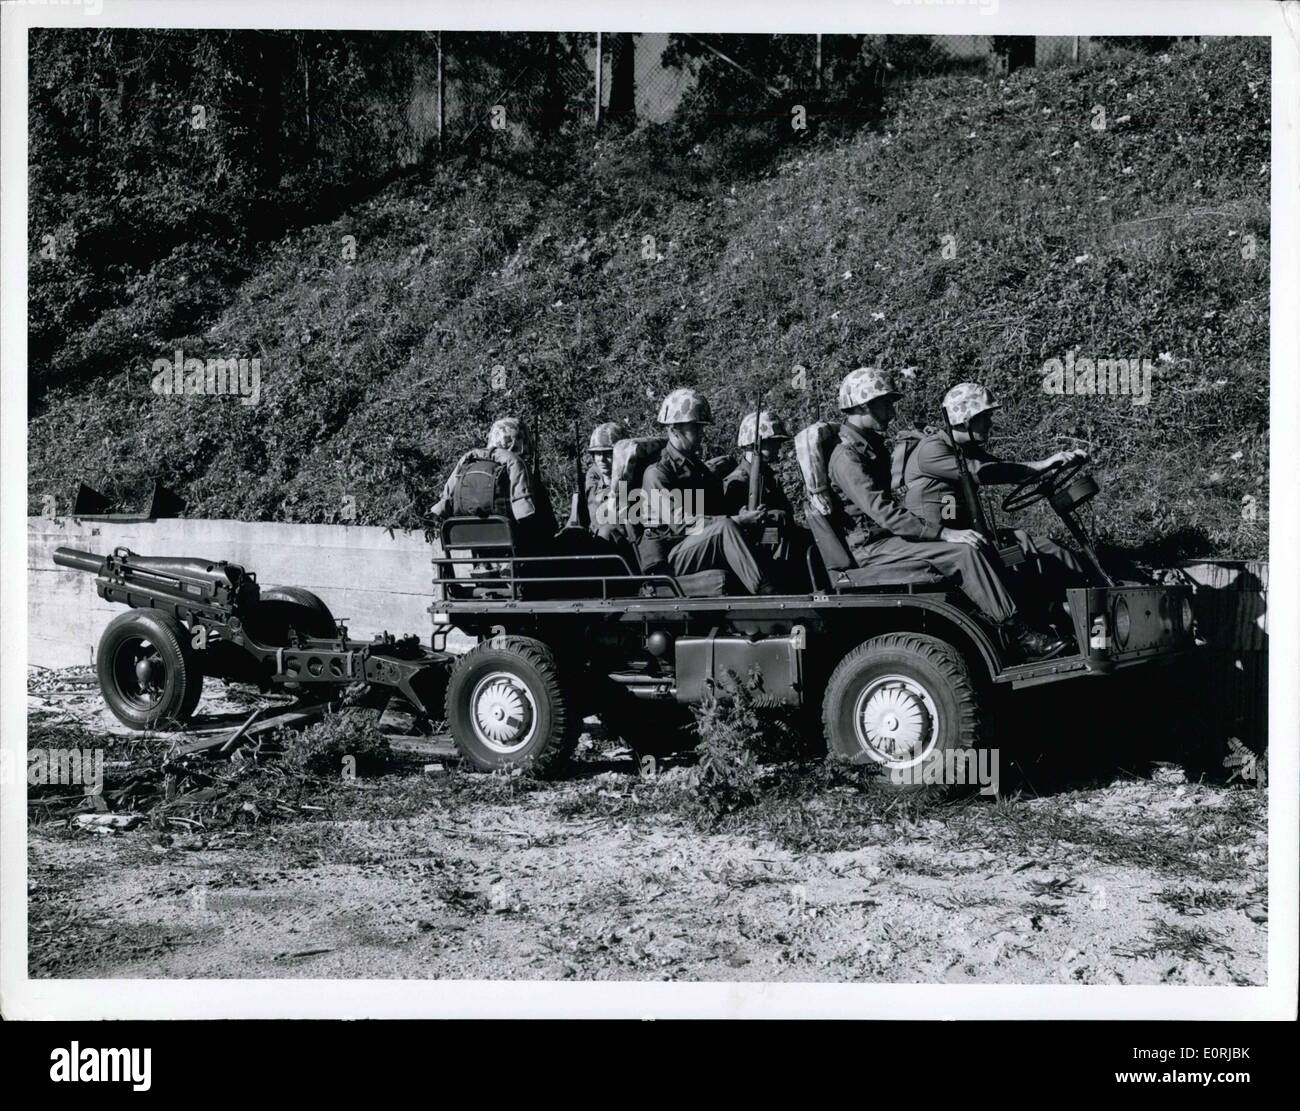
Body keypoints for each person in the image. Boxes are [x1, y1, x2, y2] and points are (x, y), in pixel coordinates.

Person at [826, 367, 1065, 661]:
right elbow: (884, 512)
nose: (891, 410)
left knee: (986, 544)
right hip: (873, 547)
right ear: (863, 405)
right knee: (963, 552)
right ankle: (1020, 635)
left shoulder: (869, 447)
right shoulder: (847, 456)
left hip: (888, 539)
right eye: (885, 403)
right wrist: (943, 533)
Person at [640, 388, 775, 595]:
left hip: (694, 546)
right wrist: (737, 520)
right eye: (696, 428)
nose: (702, 433)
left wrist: (743, 513)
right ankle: (768, 594)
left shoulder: (697, 468)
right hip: (670, 555)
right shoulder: (657, 473)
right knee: (725, 527)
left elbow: (717, 508)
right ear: (675, 429)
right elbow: (682, 524)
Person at [430, 416, 556, 551]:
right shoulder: (518, 469)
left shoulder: (469, 464)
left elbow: (445, 505)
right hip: (520, 550)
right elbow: (547, 526)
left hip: (477, 547)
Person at [721, 410, 811, 589]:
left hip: (776, 544)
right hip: (754, 554)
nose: (778, 446)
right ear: (755, 444)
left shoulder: (767, 477)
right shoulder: (737, 482)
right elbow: (734, 530)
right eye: (773, 442)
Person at [584, 420, 629, 542]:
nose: (602, 459)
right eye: (597, 453)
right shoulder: (593, 479)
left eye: (608, 453)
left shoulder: (631, 481)